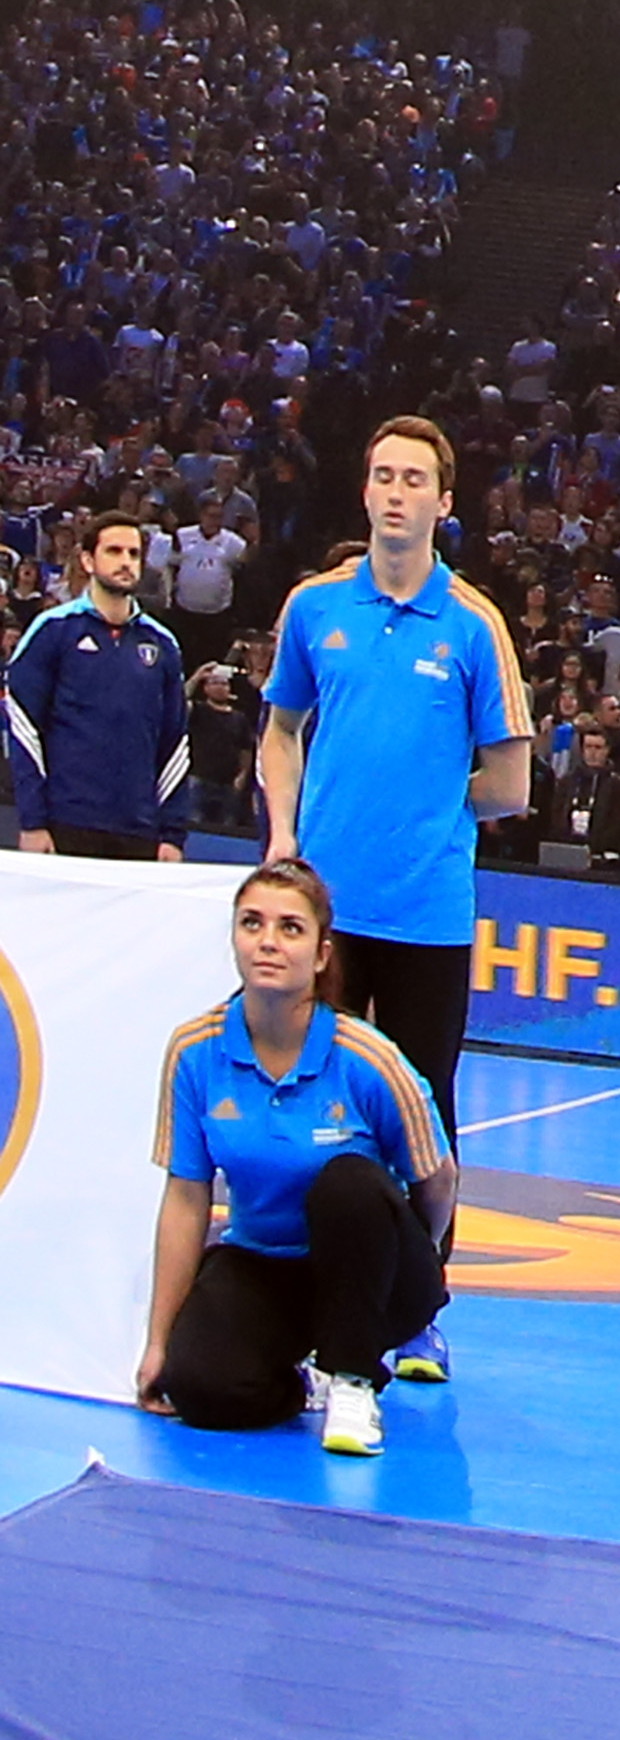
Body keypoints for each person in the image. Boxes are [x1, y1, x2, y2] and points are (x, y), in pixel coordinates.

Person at [257, 418, 528, 1386]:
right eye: (383, 476)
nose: (398, 492)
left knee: (421, 1115)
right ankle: (297, 1302)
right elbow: (280, 730)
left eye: (417, 478)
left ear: (444, 503)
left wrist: (427, 806)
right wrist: (287, 835)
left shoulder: (473, 626)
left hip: (426, 915)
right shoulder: (314, 609)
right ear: (365, 494)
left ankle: (419, 1313)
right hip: (324, 913)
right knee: (302, 1107)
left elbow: (511, 781)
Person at [143, 860, 454, 1457]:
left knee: (349, 1186)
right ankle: (303, 1379)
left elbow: (437, 1181)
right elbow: (185, 1201)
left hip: (377, 1272)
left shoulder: (368, 1058)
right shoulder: (194, 1052)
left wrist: (412, 1259)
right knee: (200, 1389)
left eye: (290, 928)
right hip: (266, 1265)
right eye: (252, 923)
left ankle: (355, 1380)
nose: (268, 941)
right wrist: (159, 1343)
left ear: (320, 954)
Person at [12, 512, 196, 859]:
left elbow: (175, 743)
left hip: (140, 830)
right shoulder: (52, 630)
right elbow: (24, 728)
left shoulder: (163, 644)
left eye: (133, 554)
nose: (125, 562)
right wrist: (33, 821)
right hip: (65, 822)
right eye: (113, 551)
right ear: (87, 560)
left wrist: (172, 834)